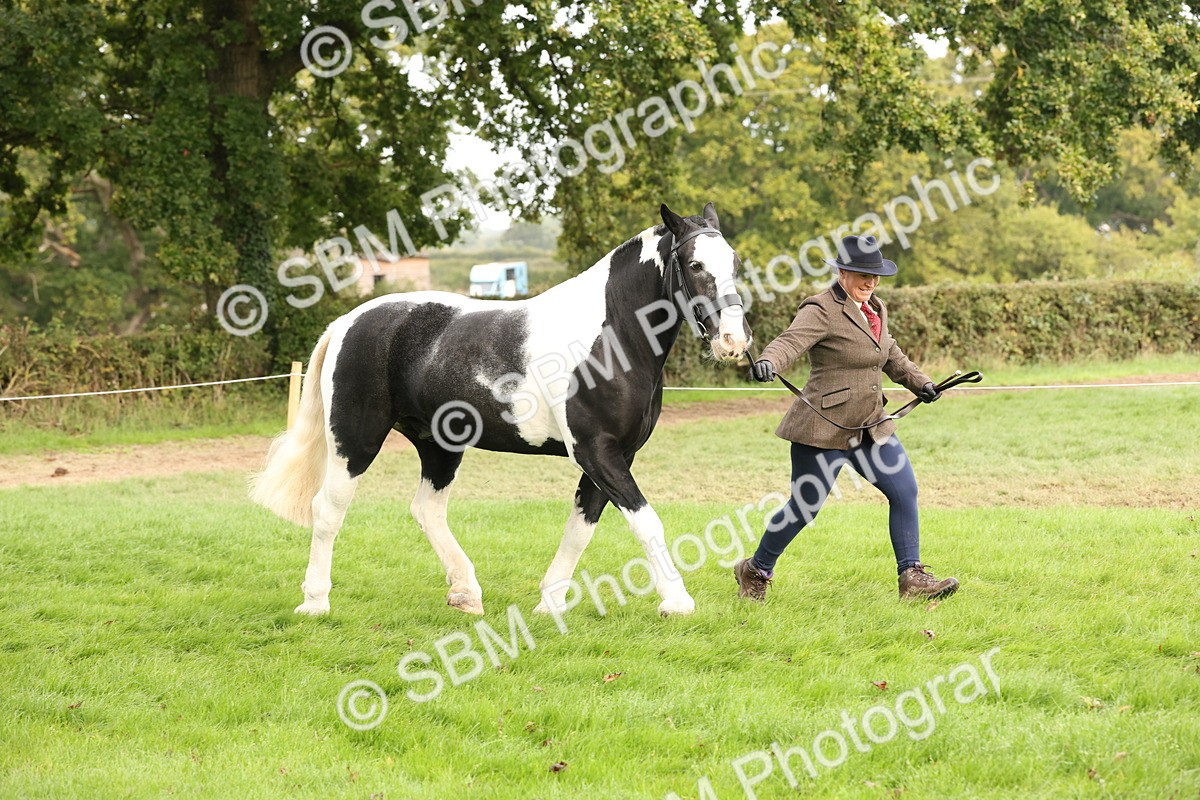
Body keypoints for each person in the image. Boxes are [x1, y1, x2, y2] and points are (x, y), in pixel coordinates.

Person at [734, 235, 959, 602]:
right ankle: (755, 569)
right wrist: (769, 362)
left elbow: (890, 354)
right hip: (823, 428)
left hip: (870, 424)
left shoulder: (876, 309)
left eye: (875, 276)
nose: (870, 282)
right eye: (862, 275)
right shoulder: (821, 308)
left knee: (904, 491)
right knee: (804, 508)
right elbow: (790, 341)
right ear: (842, 273)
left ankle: (912, 578)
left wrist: (922, 383)